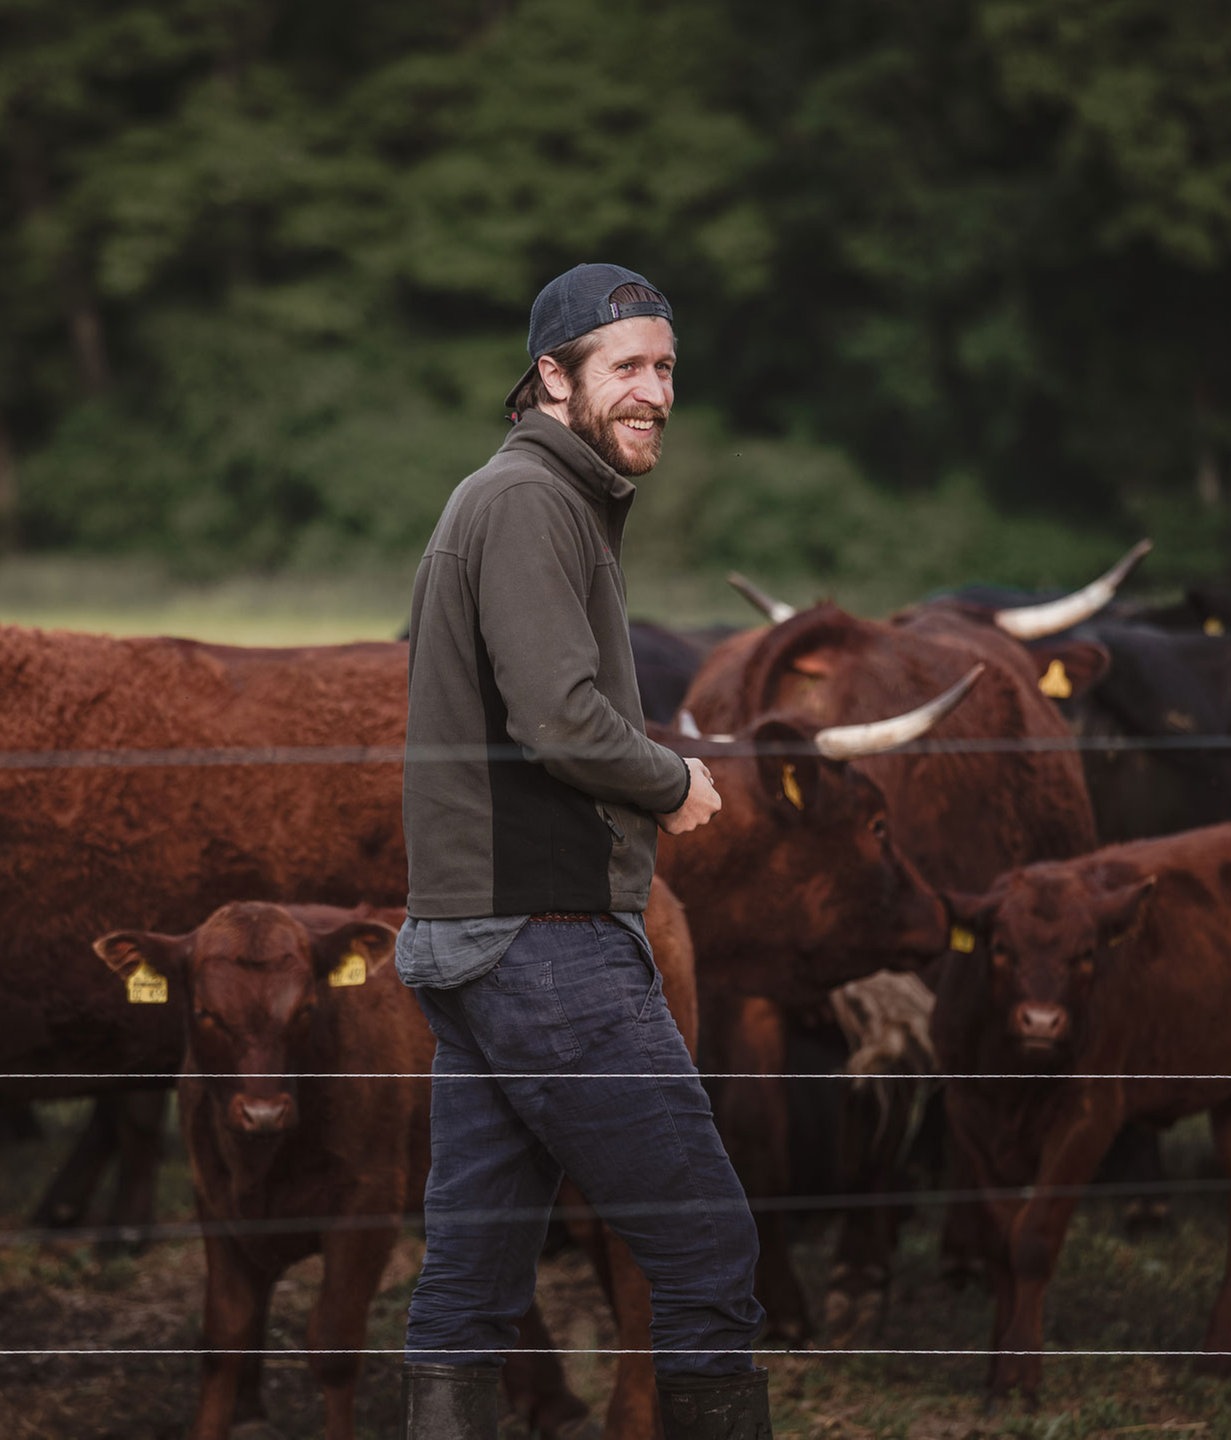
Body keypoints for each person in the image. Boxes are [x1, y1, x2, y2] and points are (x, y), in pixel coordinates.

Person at [396, 263, 770, 1440]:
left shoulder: (540, 501)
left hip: (484, 945)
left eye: (665, 368)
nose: (653, 390)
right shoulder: (527, 505)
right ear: (552, 378)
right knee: (709, 1247)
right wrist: (676, 781)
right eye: (626, 367)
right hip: (546, 943)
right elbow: (558, 717)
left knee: (471, 1285)